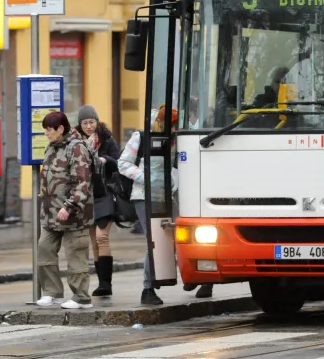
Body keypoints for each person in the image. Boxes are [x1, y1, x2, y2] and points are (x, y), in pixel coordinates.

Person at [118, 105, 214, 304]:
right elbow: (123, 163)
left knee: (186, 236)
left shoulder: (178, 138)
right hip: (144, 196)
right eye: (171, 126)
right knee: (154, 240)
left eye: (177, 126)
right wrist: (147, 178)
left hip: (169, 196)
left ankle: (197, 277)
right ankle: (148, 289)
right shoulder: (142, 137)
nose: (174, 130)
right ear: (160, 123)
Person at [36, 111, 94, 309]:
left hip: (74, 215)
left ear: (61, 129)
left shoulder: (77, 148)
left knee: (76, 255)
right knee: (45, 250)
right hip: (50, 214)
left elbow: (83, 182)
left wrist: (69, 206)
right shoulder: (52, 147)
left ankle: (81, 297)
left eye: (49, 130)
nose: (46, 133)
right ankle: (53, 293)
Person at [75, 105, 120, 297]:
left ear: (97, 122)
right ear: (80, 124)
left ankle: (106, 284)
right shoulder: (76, 142)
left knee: (102, 237)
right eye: (85, 123)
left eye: (91, 122)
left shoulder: (106, 139)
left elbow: (120, 163)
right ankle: (102, 285)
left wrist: (105, 159)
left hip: (105, 194)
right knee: (94, 240)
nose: (88, 126)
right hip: (87, 195)